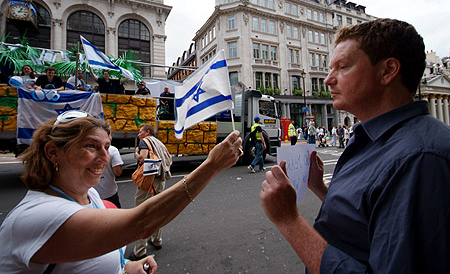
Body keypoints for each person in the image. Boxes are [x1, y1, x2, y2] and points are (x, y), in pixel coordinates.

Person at [260, 18, 450, 274]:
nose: (328, 80)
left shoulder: (420, 158)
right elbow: (370, 222)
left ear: (387, 71)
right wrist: (320, 188)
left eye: (343, 67)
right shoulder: (373, 138)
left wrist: (289, 221)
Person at [0, 110, 243, 273]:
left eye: (106, 146)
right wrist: (211, 166)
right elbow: (141, 223)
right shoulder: (35, 217)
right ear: (53, 152)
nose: (105, 157)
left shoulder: (90, 195)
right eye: (90, 146)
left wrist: (127, 266)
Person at [130, 124, 172, 260]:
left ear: (147, 132)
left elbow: (142, 158)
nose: (138, 134)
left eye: (140, 131)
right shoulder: (159, 143)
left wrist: (136, 153)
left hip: (149, 181)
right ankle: (157, 240)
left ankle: (140, 251)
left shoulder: (144, 142)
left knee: (142, 212)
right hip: (161, 179)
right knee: (158, 210)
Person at [93, 132, 124, 208]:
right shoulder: (113, 150)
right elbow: (118, 172)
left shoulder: (87, 150)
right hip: (109, 193)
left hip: (91, 193)